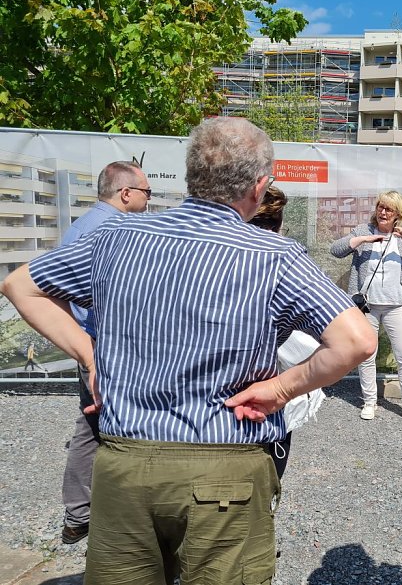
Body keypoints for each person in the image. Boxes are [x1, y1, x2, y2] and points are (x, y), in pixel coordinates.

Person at [0, 116, 376, 585]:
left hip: (125, 464)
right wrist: (280, 390)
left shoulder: (117, 237)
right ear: (259, 187)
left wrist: (90, 354)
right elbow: (358, 340)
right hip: (227, 467)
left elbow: (21, 286)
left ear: (191, 175)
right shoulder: (274, 256)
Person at [56, 160, 150, 545]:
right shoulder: (118, 230)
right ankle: (119, 518)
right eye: (147, 192)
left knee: (90, 425)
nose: (149, 200)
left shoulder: (81, 227)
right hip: (111, 346)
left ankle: (78, 514)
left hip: (86, 343)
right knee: (118, 427)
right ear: (126, 193)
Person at [330, 190, 402, 426]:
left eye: (389, 209)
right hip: (367, 307)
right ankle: (369, 401)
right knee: (367, 355)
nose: (383, 212)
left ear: (398, 214)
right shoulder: (364, 230)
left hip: (397, 306)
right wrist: (363, 241)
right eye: (380, 207)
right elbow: (335, 250)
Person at [249, 187, 326, 478]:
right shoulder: (286, 259)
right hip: (270, 387)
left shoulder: (206, 255)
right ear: (279, 224)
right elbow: (353, 341)